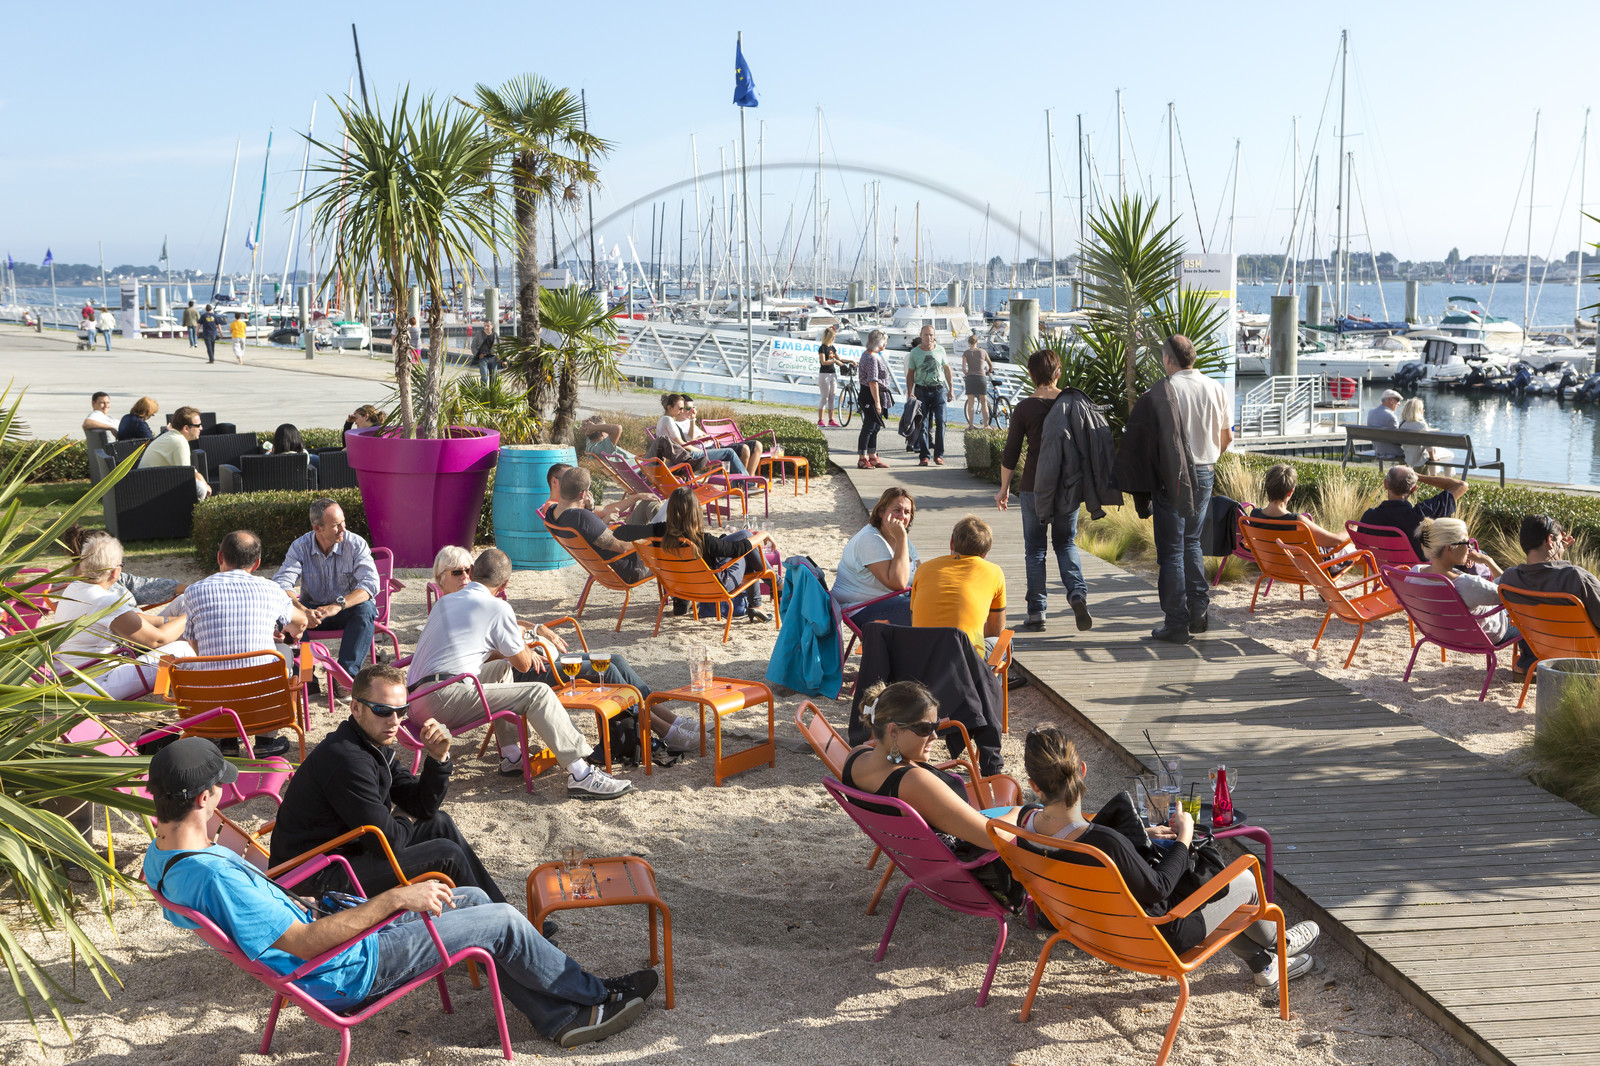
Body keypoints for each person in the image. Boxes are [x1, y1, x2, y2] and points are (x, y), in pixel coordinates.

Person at [143, 738, 657, 1050]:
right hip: (344, 970)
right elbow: (304, 942)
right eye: (218, 791)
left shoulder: (162, 856)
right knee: (497, 919)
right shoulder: (215, 877)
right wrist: (393, 900)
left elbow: (264, 910)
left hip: (324, 948)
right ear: (206, 798)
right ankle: (593, 998)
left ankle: (558, 1016)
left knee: (474, 902)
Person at [1017, 726, 1319, 987]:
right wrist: (1185, 836)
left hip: (1095, 932)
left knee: (1214, 888)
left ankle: (1265, 963)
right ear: (1082, 770)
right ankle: (1280, 944)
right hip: (1157, 941)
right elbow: (1159, 887)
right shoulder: (1103, 843)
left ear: (1034, 786)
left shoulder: (1025, 827)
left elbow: (1075, 834)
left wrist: (1139, 836)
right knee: (1244, 878)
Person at [269, 663, 513, 903]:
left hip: (343, 856)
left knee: (440, 823)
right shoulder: (347, 759)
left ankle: (502, 911)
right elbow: (388, 843)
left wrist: (438, 759)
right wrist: (405, 818)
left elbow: (423, 806)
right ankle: (500, 928)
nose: (394, 720)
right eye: (382, 710)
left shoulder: (370, 744)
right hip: (312, 878)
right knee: (447, 854)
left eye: (401, 711)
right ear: (356, 708)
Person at [406, 548, 632, 797]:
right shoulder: (497, 608)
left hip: (415, 700)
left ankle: (512, 755)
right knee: (539, 692)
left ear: (471, 572)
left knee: (501, 668)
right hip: (442, 701)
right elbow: (524, 664)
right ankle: (581, 773)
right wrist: (522, 639)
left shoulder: (444, 602)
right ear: (505, 584)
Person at [839, 680, 1020, 902]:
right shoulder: (914, 781)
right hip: (972, 868)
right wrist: (1023, 813)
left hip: (929, 862)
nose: (935, 737)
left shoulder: (855, 756)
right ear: (893, 730)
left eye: (936, 727)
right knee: (1041, 816)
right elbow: (993, 839)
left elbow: (883, 754)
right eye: (925, 729)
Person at [174, 530, 309, 758]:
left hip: (213, 708)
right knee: (283, 651)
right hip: (262, 708)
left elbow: (195, 645)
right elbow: (301, 624)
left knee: (214, 660)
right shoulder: (271, 589)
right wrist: (282, 632)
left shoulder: (194, 591)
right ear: (256, 563)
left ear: (219, 558)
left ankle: (227, 740)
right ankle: (266, 740)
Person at [997, 348, 1091, 631]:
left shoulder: (1025, 407)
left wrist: (1003, 489)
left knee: (1035, 550)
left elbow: (1011, 452)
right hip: (1068, 486)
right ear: (1058, 373)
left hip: (1033, 487)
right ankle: (1077, 593)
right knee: (1065, 542)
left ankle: (1037, 612)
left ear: (1030, 375)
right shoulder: (1074, 403)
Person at [1148, 335, 1230, 643]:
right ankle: (1198, 610)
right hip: (1205, 470)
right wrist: (1208, 458)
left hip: (1171, 475)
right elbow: (1226, 438)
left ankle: (1176, 622)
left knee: (1171, 549)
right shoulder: (1215, 388)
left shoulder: (1164, 390)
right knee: (1192, 542)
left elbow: (1150, 440)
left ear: (1168, 360)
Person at [50, 534, 194, 700]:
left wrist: (182, 616)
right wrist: (192, 613)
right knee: (182, 650)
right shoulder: (105, 601)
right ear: (115, 572)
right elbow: (158, 640)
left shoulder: (75, 588)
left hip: (74, 678)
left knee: (185, 601)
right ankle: (212, 681)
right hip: (97, 685)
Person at [613, 484, 772, 624]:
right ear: (696, 511)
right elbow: (738, 549)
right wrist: (763, 534)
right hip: (716, 587)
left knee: (742, 538)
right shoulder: (702, 540)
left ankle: (765, 597)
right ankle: (765, 596)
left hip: (679, 587)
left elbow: (620, 532)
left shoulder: (659, 531)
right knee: (747, 546)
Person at [274, 499, 381, 682]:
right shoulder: (300, 546)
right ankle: (307, 678)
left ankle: (345, 678)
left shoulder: (356, 544)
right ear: (317, 528)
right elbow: (281, 584)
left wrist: (338, 605)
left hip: (346, 609)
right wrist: (302, 610)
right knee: (288, 612)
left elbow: (370, 584)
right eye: (336, 526)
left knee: (366, 610)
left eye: (343, 522)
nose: (343, 529)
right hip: (312, 611)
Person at [910, 515, 1006, 655]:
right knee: (1005, 642)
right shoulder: (995, 572)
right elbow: (995, 631)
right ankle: (987, 678)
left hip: (924, 658)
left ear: (951, 543)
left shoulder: (923, 569)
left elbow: (914, 620)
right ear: (985, 554)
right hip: (967, 661)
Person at [546, 466, 657, 585]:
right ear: (583, 494)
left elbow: (589, 530)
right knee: (673, 541)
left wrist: (590, 510)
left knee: (649, 505)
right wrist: (653, 536)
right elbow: (623, 547)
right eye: (590, 488)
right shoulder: (582, 518)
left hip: (606, 568)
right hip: (631, 569)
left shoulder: (552, 513)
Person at [1416, 517, 1516, 644]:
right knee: (1532, 621)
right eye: (1466, 542)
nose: (1469, 547)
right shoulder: (1468, 584)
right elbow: (1511, 594)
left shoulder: (1415, 573)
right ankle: (1527, 661)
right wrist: (1488, 561)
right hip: (1487, 635)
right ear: (1450, 548)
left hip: (1441, 634)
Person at [1499, 514, 1600, 634]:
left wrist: (1556, 550)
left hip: (1537, 651)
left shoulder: (1509, 580)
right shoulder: (1576, 578)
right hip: (1583, 651)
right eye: (1559, 540)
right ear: (1549, 540)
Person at [833, 487, 919, 627]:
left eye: (907, 512)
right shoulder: (870, 538)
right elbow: (897, 583)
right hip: (860, 608)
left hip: (894, 601)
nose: (902, 516)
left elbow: (920, 575)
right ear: (881, 512)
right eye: (897, 510)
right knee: (924, 610)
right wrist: (901, 538)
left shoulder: (902, 539)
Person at [1358, 465, 1469, 561]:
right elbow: (1461, 486)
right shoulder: (1423, 513)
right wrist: (1419, 477)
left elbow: (1361, 551)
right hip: (1420, 573)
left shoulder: (1370, 517)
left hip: (1387, 572)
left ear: (1385, 484)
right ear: (1413, 489)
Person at [63, 525, 186, 607]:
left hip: (141, 628)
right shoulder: (93, 594)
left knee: (183, 602)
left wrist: (190, 589)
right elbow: (154, 637)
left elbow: (145, 585)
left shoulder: (111, 577)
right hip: (132, 638)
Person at [1249, 463, 1351, 552]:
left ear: (1267, 487)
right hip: (1307, 569)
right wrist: (1353, 529)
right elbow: (1336, 541)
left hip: (1273, 566)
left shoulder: (1254, 515)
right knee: (1354, 552)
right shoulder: (1297, 522)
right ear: (1290, 492)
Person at [654, 394, 750, 474]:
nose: (681, 411)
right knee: (729, 452)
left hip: (677, 456)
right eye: (680, 408)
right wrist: (700, 451)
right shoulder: (668, 420)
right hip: (686, 456)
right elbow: (681, 444)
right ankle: (745, 483)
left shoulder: (662, 420)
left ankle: (739, 482)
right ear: (669, 407)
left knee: (729, 451)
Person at [904, 324, 953, 466]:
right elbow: (910, 374)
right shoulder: (915, 352)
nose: (929, 337)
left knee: (941, 421)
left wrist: (951, 389)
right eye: (926, 335)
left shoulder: (940, 350)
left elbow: (947, 369)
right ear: (921, 336)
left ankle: (939, 455)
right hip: (921, 391)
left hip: (939, 390)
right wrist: (909, 392)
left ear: (934, 335)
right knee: (923, 424)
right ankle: (924, 456)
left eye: (931, 335)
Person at [139, 406, 211, 500]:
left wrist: (203, 481)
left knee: (201, 484)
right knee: (200, 488)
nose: (201, 428)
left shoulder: (172, 436)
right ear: (186, 428)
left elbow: (189, 471)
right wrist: (204, 486)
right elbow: (185, 477)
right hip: (151, 491)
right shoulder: (180, 442)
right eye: (198, 425)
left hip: (147, 484)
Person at [855, 329, 894, 469]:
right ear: (880, 342)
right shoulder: (871, 358)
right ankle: (862, 458)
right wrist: (877, 402)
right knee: (869, 427)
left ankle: (872, 456)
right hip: (870, 394)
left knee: (875, 427)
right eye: (885, 341)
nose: (886, 343)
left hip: (876, 393)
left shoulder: (871, 355)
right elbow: (872, 381)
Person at [1397, 397, 1456, 470]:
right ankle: (1447, 478)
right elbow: (1429, 447)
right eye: (1422, 409)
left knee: (1433, 452)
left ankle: (1434, 475)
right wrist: (1433, 458)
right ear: (1418, 411)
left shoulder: (1401, 424)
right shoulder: (1421, 424)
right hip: (1419, 458)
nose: (1424, 411)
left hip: (1407, 456)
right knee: (1450, 454)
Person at [816, 326, 851, 427]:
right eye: (833, 337)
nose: (834, 339)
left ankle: (831, 420)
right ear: (828, 337)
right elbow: (823, 362)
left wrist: (850, 361)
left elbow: (840, 359)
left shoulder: (832, 348)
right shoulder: (822, 348)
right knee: (824, 397)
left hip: (833, 374)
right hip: (824, 374)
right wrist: (835, 361)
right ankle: (820, 420)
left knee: (832, 396)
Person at [962, 335, 993, 429]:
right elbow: (990, 365)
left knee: (971, 403)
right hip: (981, 378)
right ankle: (986, 425)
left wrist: (967, 374)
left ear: (968, 343)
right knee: (984, 402)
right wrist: (989, 371)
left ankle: (971, 425)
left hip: (970, 378)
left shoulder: (966, 353)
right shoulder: (983, 352)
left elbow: (963, 369)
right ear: (977, 343)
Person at [1365, 389, 1405, 460]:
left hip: (1378, 450)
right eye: (1398, 400)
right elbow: (1398, 439)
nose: (1399, 404)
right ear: (1391, 400)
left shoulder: (1371, 412)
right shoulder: (1391, 416)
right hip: (1393, 452)